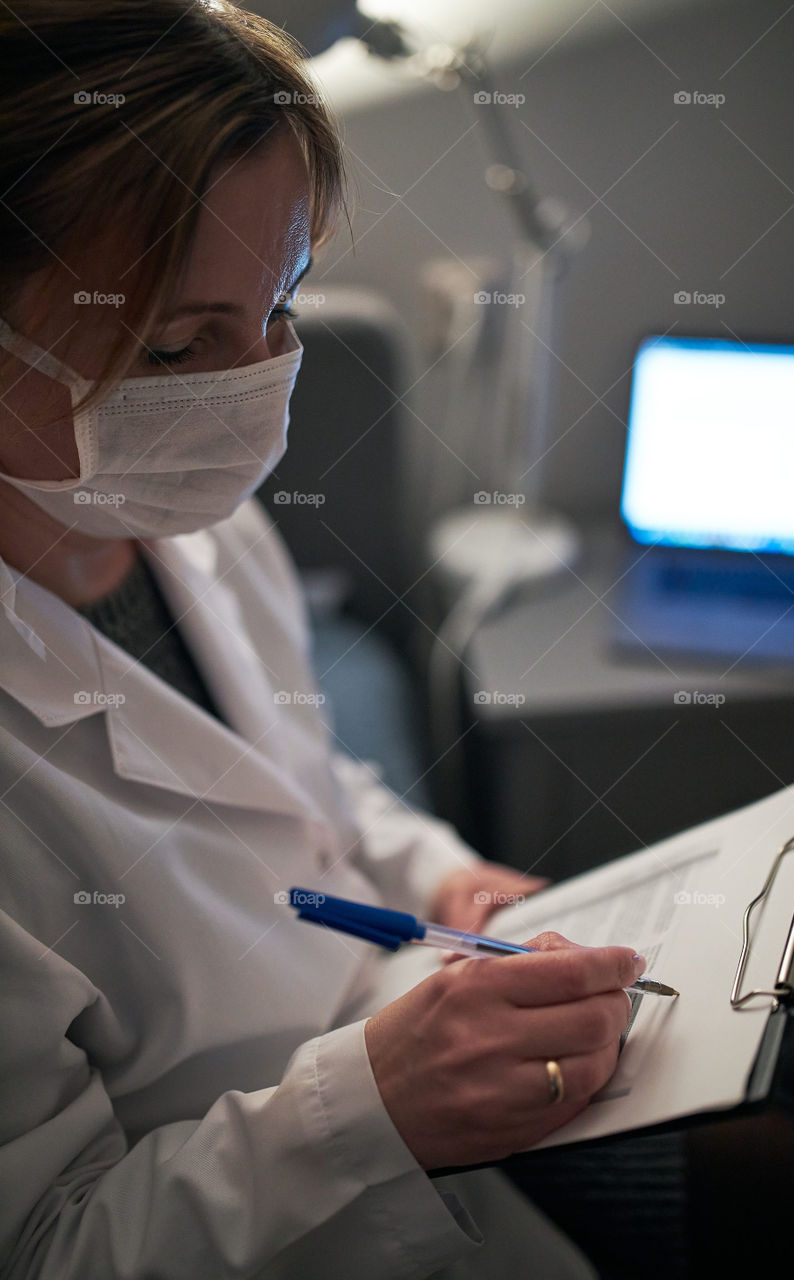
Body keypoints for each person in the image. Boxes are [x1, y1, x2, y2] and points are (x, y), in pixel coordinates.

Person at [0, 4, 641, 1276]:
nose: (255, 386)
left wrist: (438, 880)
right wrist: (362, 1109)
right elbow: (45, 1244)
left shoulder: (186, 518)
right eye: (179, 344)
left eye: (281, 304)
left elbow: (307, 785)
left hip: (426, 1081)